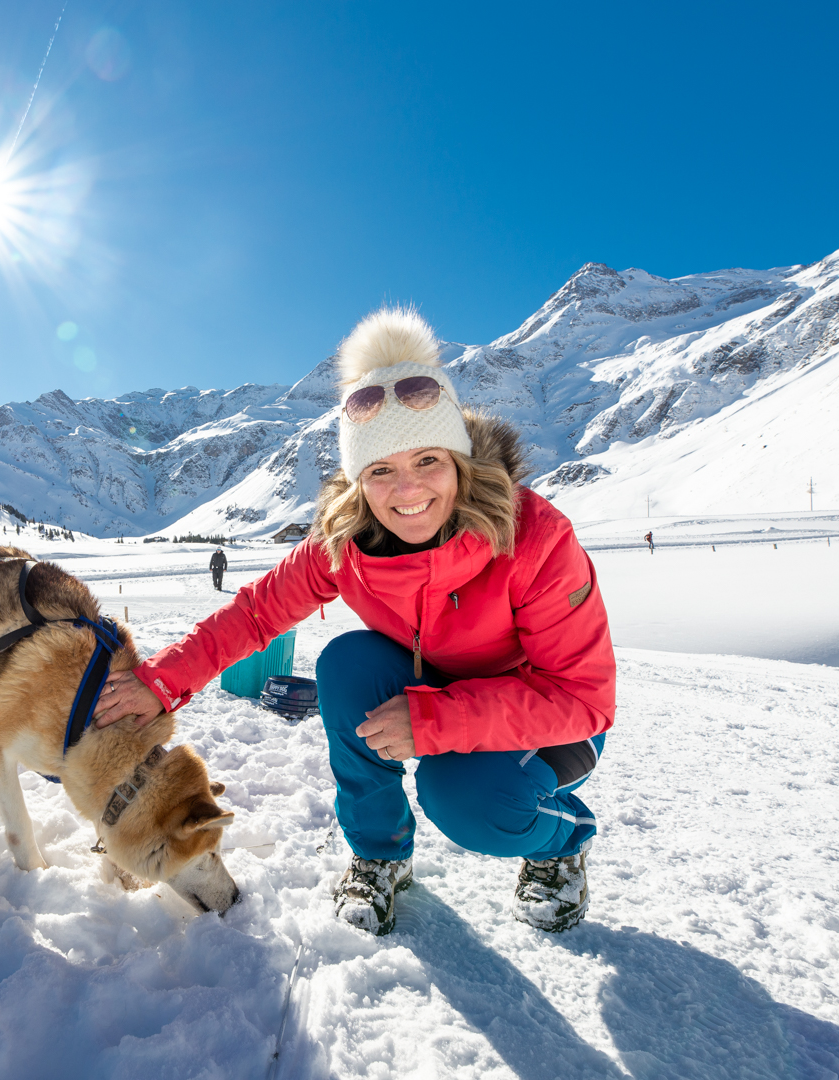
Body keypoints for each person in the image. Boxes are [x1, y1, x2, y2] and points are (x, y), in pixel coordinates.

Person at [94, 308, 615, 935]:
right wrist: (160, 681)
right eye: (381, 470)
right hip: (439, 686)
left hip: (547, 716)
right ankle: (381, 855)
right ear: (358, 480)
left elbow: (582, 700)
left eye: (428, 460)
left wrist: (434, 721)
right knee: (348, 663)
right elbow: (257, 613)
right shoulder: (348, 542)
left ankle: (564, 842)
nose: (408, 490)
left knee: (468, 802)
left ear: (460, 460)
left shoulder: (533, 538)